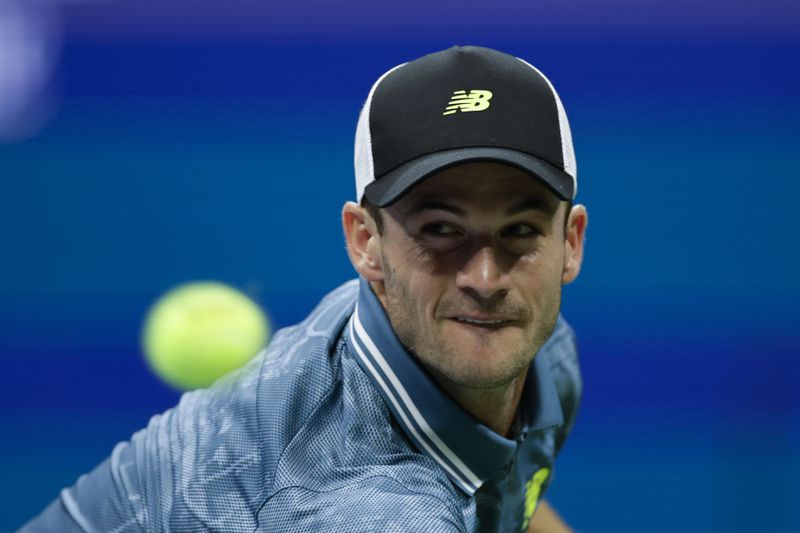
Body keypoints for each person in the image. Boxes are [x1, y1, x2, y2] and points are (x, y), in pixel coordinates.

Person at [21, 45, 587, 532]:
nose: (485, 280)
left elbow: (512, 496)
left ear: (571, 242)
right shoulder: (364, 507)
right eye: (440, 231)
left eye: (519, 230)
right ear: (366, 243)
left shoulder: (543, 354)